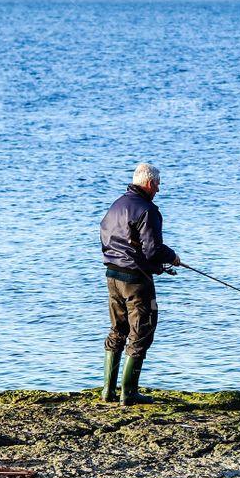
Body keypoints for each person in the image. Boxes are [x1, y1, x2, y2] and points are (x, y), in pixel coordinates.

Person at [99, 162, 180, 405]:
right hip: (136, 280)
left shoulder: (116, 205)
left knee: (118, 329)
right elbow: (153, 249)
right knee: (141, 331)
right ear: (149, 183)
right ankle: (129, 393)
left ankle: (108, 391)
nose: (158, 190)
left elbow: (108, 237)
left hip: (112, 276)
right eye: (157, 185)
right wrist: (172, 257)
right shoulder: (148, 210)